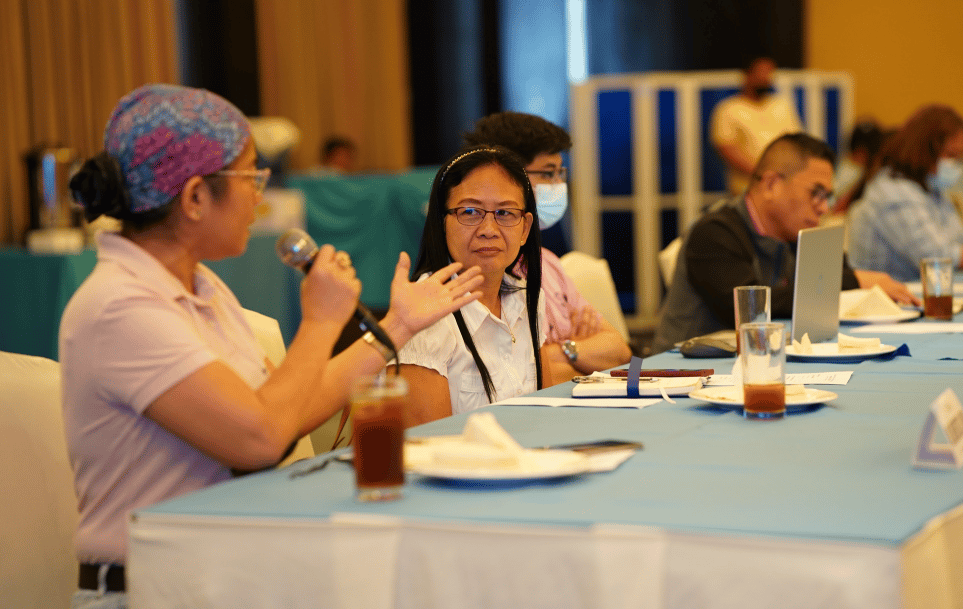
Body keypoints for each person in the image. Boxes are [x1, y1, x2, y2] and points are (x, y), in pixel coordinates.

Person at [59, 84, 484, 608]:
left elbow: (287, 411)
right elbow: (260, 440)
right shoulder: (120, 307)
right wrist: (321, 322)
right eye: (250, 177)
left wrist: (396, 326)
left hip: (227, 574)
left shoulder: (203, 288)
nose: (260, 195)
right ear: (195, 197)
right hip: (152, 590)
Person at [652, 133, 916, 353]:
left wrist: (850, 280)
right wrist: (856, 281)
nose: (824, 208)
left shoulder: (797, 231)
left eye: (828, 196)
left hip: (762, 363)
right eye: (816, 193)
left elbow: (840, 283)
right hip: (683, 378)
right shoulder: (714, 232)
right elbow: (752, 308)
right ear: (771, 184)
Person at [463, 112, 632, 384]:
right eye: (547, 173)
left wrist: (566, 350)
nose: (558, 185)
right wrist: (582, 359)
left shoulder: (547, 262)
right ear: (504, 176)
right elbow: (514, 378)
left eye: (559, 173)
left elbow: (619, 351)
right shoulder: (481, 267)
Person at [393, 145, 549, 426]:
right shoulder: (423, 316)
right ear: (442, 223)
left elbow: (543, 415)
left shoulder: (530, 299)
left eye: (505, 213)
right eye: (469, 211)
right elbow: (429, 446)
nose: (488, 229)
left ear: (525, 229)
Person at [847, 105, 963, 281]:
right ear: (924, 150)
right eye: (950, 155)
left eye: (959, 157)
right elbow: (938, 257)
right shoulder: (892, 191)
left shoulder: (930, 188)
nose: (956, 165)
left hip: (916, 292)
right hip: (885, 302)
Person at [710, 56, 804, 195]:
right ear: (747, 75)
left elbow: (796, 142)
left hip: (782, 187)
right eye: (761, 72)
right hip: (747, 189)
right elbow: (727, 148)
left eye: (769, 73)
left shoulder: (781, 105)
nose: (765, 78)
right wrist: (763, 175)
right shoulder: (728, 109)